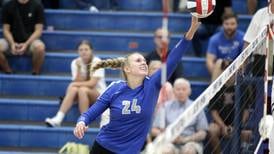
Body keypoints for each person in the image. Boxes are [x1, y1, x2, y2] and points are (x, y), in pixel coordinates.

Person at [73, 16, 200, 154]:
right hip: (103, 147)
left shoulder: (152, 85)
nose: (143, 62)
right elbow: (92, 112)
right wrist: (82, 122)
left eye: (144, 61)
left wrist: (191, 31)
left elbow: (173, 58)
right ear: (127, 69)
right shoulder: (115, 88)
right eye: (138, 61)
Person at [45, 40, 106, 127]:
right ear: (78, 51)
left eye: (86, 49)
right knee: (75, 89)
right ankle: (58, 118)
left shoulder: (97, 62)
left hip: (99, 95)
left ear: (91, 51)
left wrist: (73, 84)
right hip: (82, 94)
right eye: (81, 50)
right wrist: (78, 68)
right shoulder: (75, 62)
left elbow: (92, 83)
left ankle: (84, 122)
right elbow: (78, 81)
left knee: (80, 89)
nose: (83, 52)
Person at [151, 78, 208, 154]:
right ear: (173, 91)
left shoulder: (197, 106)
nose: (181, 92)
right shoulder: (165, 106)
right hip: (169, 141)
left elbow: (203, 133)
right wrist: (167, 136)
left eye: (184, 89)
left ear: (189, 91)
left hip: (190, 141)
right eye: (178, 89)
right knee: (166, 151)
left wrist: (185, 139)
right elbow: (154, 130)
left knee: (188, 151)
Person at [0, 0, 45, 75]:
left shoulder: (37, 5)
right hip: (11, 40)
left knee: (40, 48)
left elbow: (38, 30)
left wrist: (26, 44)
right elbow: (6, 29)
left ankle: (35, 73)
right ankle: (7, 70)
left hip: (30, 41)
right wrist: (12, 44)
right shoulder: (7, 5)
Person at [206, 12, 244, 81]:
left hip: (236, 70)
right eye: (226, 24)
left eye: (232, 24)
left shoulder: (243, 38)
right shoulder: (214, 39)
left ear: (237, 25)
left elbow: (245, 60)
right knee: (219, 62)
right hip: (220, 71)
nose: (229, 27)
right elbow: (209, 61)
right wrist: (217, 75)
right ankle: (217, 88)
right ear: (222, 24)